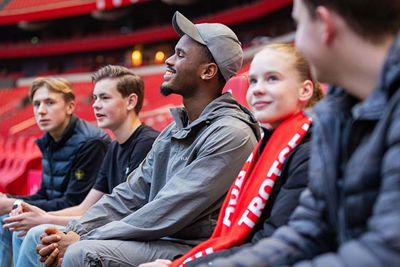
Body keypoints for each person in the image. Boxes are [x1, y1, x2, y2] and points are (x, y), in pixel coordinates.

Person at [36, 11, 260, 267]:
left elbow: (167, 209)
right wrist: (75, 230)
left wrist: (83, 237)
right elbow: (131, 193)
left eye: (181, 55)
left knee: (81, 252)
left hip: (194, 248)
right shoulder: (173, 130)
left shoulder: (232, 134)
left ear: (208, 71)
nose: (169, 60)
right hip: (161, 239)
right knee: (54, 241)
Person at [199, 0, 400, 266]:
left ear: (324, 24)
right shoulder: (338, 115)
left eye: (298, 24)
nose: (298, 42)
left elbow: (383, 254)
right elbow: (310, 231)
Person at [140, 43, 324, 267]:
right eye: (253, 81)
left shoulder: (310, 152)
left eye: (272, 79)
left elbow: (273, 242)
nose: (257, 89)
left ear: (304, 90)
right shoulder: (268, 146)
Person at [6, 65, 159, 267]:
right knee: (30, 227)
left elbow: (129, 214)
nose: (95, 105)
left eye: (104, 98)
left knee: (37, 232)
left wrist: (44, 219)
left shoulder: (147, 144)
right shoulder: (114, 147)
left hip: (132, 235)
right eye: (94, 98)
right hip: (108, 226)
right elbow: (86, 207)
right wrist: (41, 215)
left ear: (131, 101)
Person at [0, 77, 110, 267]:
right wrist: (11, 200)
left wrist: (14, 204)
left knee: (15, 222)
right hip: (57, 211)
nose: (41, 110)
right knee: (7, 218)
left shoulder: (91, 143)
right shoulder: (49, 139)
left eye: (49, 102)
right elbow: (45, 194)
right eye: (36, 104)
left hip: (81, 221)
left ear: (70, 107)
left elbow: (75, 203)